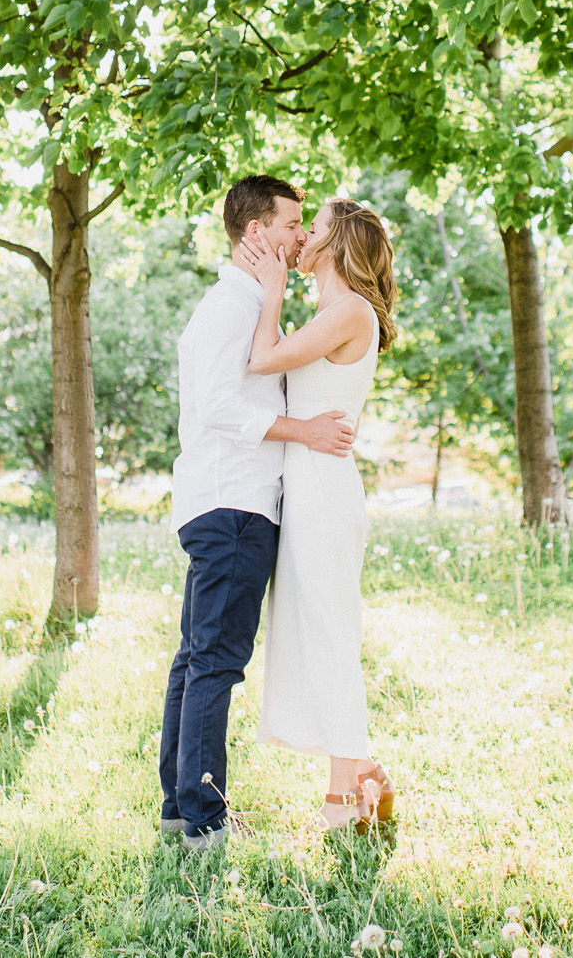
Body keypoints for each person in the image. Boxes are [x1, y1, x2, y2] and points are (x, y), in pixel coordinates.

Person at [158, 175, 358, 853]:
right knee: (215, 661)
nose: (302, 236)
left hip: (226, 501)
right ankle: (205, 820)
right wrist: (302, 432)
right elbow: (217, 406)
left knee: (196, 658)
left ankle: (180, 807)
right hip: (235, 504)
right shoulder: (232, 308)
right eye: (292, 224)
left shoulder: (248, 304)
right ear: (256, 233)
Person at [239, 197, 399, 834]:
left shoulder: (350, 311)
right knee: (311, 632)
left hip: (326, 491)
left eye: (316, 228)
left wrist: (272, 289)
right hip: (303, 485)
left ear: (336, 244)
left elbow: (261, 360)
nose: (303, 236)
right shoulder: (332, 311)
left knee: (331, 632)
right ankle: (367, 774)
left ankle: (341, 800)